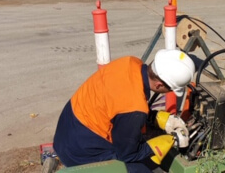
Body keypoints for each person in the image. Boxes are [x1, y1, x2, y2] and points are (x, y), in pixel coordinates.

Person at [53, 49, 195, 172]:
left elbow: (118, 105)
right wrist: (167, 141)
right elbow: (127, 155)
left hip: (68, 129)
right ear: (159, 85)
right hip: (79, 152)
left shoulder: (131, 63)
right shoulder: (134, 109)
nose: (169, 92)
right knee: (140, 169)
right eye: (170, 89)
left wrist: (155, 117)